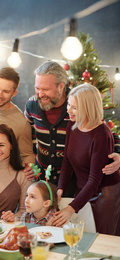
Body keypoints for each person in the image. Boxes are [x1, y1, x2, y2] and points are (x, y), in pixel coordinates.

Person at [25, 61, 120, 195]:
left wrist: (118, 154)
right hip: (42, 177)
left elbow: (106, 133)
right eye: (37, 88)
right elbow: (26, 136)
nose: (40, 94)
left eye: (45, 89)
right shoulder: (32, 105)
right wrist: (28, 160)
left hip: (73, 181)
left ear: (61, 86)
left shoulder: (77, 102)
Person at [51, 84, 120, 235]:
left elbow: (95, 180)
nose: (68, 110)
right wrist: (60, 187)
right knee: (81, 234)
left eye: (74, 107)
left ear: (88, 108)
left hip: (104, 195)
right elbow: (67, 160)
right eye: (69, 104)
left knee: (99, 238)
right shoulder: (72, 125)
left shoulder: (102, 135)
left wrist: (71, 208)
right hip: (84, 189)